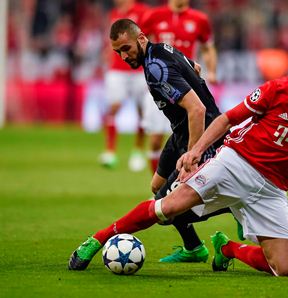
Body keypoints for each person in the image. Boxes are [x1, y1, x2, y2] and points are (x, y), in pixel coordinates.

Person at [69, 51, 288, 276]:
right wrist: (196, 150)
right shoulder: (278, 89)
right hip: (235, 163)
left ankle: (227, 249)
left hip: (272, 188)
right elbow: (227, 119)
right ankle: (97, 238)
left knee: (284, 270)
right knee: (166, 208)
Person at [68, 18, 230, 270]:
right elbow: (195, 67)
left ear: (141, 38)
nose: (123, 56)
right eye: (117, 52)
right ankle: (194, 247)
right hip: (180, 133)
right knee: (157, 185)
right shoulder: (163, 49)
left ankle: (234, 204)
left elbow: (197, 109)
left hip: (200, 135)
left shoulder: (155, 67)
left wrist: (193, 156)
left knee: (166, 209)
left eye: (126, 49)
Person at [141, 0, 218, 177]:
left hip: (187, 85)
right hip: (160, 84)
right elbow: (140, 44)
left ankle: (186, 182)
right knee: (155, 140)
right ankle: (158, 187)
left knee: (187, 138)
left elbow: (208, 47)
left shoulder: (199, 19)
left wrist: (212, 70)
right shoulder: (154, 16)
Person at [99, 0, 171, 171]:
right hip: (117, 69)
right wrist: (106, 57)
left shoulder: (144, 12)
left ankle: (137, 151)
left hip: (138, 69)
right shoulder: (114, 13)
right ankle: (110, 151)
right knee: (114, 107)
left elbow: (151, 37)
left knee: (141, 110)